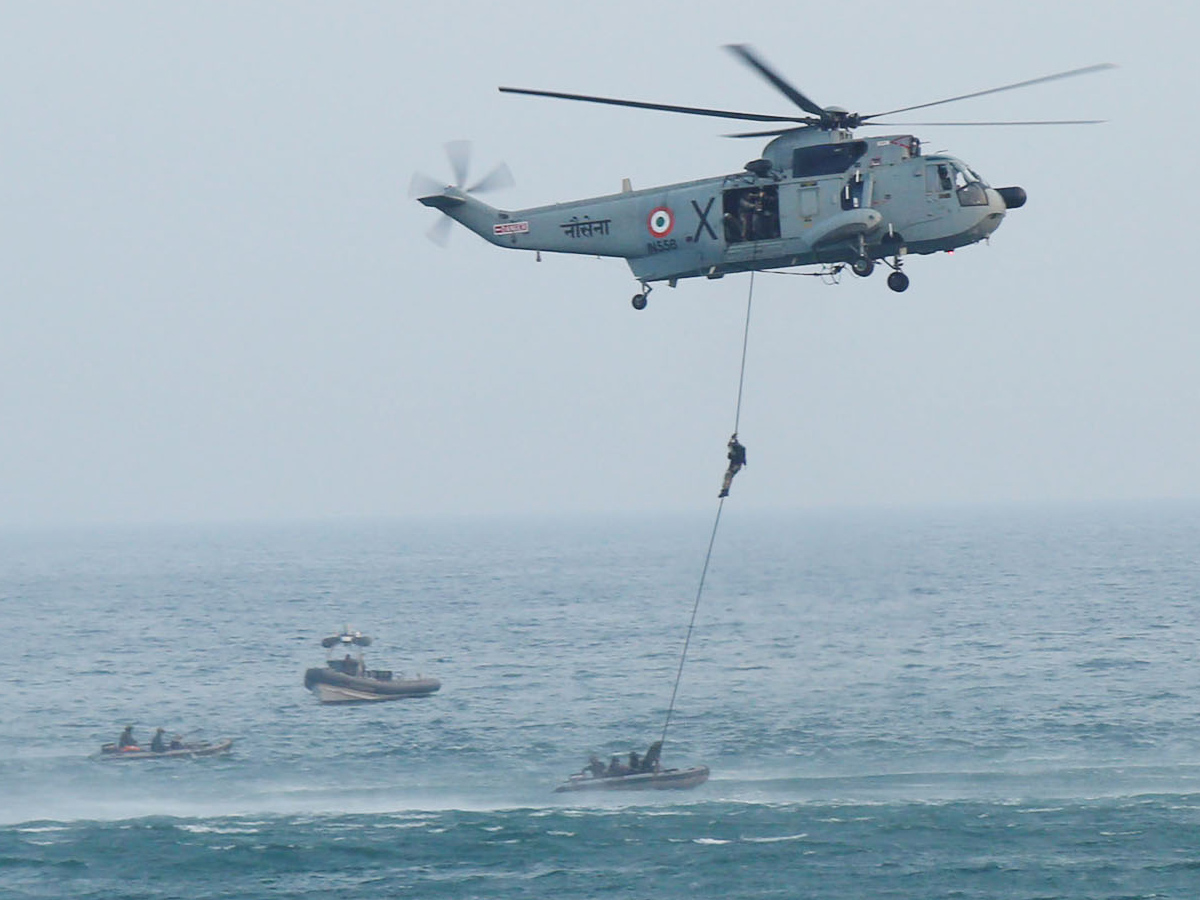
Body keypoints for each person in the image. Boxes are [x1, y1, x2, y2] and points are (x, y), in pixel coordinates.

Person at [719, 433, 747, 498]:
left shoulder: (736, 450)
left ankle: (725, 490)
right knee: (728, 476)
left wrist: (732, 438)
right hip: (736, 465)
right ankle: (725, 490)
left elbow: (729, 446)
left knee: (728, 475)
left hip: (736, 465)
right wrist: (732, 438)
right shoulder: (738, 449)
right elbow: (729, 446)